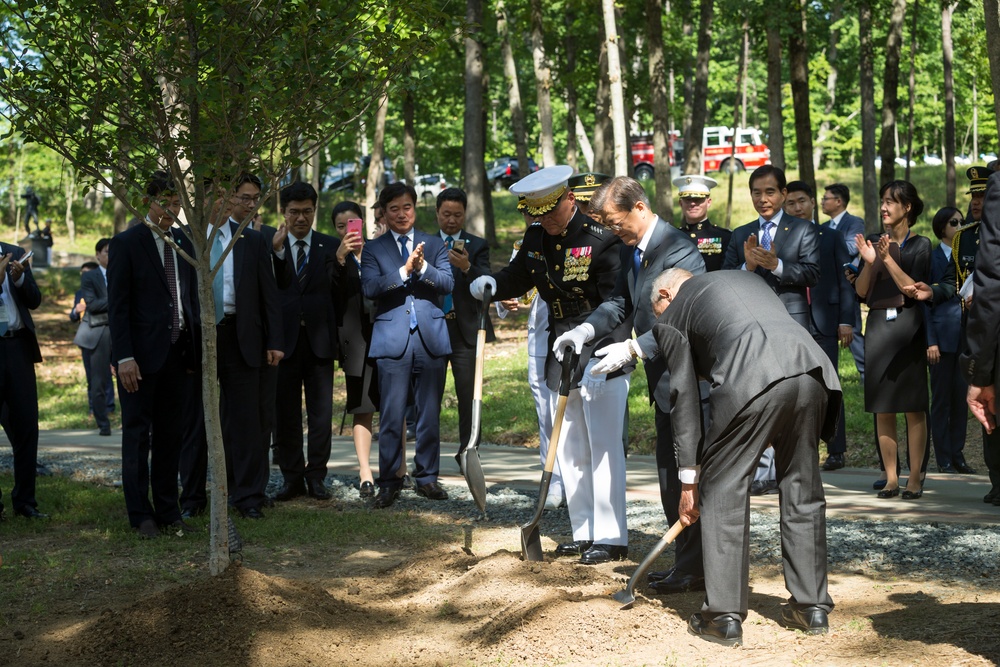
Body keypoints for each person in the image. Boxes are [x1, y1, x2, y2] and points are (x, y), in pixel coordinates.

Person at [650, 267, 839, 647]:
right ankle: (811, 606)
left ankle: (722, 616)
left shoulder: (673, 313)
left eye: (657, 311)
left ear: (666, 296)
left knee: (722, 491)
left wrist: (690, 480)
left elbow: (683, 400)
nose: (660, 319)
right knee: (802, 486)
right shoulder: (744, 279)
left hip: (751, 381)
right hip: (812, 372)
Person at [470, 165, 631, 565]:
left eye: (550, 213)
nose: (545, 222)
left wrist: (594, 343)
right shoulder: (537, 237)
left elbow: (616, 302)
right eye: (537, 215)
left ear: (570, 200)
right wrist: (489, 285)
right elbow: (516, 276)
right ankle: (585, 531)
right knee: (571, 447)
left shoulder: (603, 240)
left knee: (605, 447)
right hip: (561, 351)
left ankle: (611, 537)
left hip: (601, 349)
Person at [559, 175, 706, 584]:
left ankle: (697, 569)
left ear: (639, 207)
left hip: (689, 380)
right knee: (668, 478)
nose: (611, 228)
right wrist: (586, 330)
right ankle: (689, 567)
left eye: (613, 219)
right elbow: (619, 301)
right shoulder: (632, 250)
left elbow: (680, 314)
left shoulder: (678, 248)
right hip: (663, 381)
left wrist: (634, 348)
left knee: (688, 476)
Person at [107, 173, 200, 537]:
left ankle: (168, 510)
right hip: (139, 359)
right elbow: (118, 307)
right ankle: (139, 514)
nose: (172, 210)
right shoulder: (127, 243)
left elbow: (189, 298)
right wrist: (124, 356)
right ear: (148, 202)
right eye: (166, 202)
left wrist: (194, 352)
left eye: (177, 204)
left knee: (170, 436)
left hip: (178, 355)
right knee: (137, 435)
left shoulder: (184, 243)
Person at [723, 165, 820, 495]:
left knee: (792, 395)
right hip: (751, 325)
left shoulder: (804, 230)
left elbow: (812, 273)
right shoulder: (741, 234)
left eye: (769, 192)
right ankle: (761, 471)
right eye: (756, 193)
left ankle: (793, 469)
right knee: (756, 394)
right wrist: (748, 266)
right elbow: (727, 280)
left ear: (782, 194)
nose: (763, 199)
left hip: (791, 322)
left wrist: (775, 265)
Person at [361, 182, 453, 509]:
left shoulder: (434, 242)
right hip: (391, 340)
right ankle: (389, 481)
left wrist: (424, 267)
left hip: (430, 338)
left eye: (407, 207)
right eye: (394, 209)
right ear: (384, 214)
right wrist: (404, 270)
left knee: (429, 414)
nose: (402, 214)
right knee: (391, 414)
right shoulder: (374, 248)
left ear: (415, 208)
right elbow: (370, 287)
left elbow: (447, 282)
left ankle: (427, 478)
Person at [209, 173, 285, 519]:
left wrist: (274, 340)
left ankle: (247, 496)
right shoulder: (194, 240)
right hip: (205, 336)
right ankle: (198, 495)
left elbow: (269, 294)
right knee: (205, 419)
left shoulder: (253, 241)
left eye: (255, 199)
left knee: (245, 420)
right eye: (244, 197)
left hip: (244, 336)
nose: (250, 204)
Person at [853, 180, 931, 500]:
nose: (884, 207)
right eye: (882, 201)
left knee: (913, 407)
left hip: (908, 326)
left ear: (907, 208)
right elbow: (860, 291)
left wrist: (886, 259)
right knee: (882, 407)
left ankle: (914, 478)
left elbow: (912, 288)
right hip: (878, 326)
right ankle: (890, 478)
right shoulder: (874, 242)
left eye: (891, 202)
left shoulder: (921, 244)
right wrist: (871, 262)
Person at [270, 182, 340, 502]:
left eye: (307, 212)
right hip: (282, 343)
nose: (301, 218)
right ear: (282, 212)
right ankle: (291, 477)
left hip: (319, 342)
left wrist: (342, 262)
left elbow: (343, 292)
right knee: (285, 413)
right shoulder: (271, 245)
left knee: (320, 413)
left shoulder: (329, 246)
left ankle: (317, 476)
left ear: (315, 210)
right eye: (294, 212)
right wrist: (276, 252)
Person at [494, 197, 564, 509]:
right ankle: (553, 481)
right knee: (545, 415)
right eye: (527, 213)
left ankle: (573, 480)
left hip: (567, 333)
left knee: (568, 414)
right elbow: (514, 281)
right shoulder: (527, 242)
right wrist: (503, 301)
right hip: (538, 337)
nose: (533, 218)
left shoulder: (569, 238)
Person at [784, 181, 854, 471]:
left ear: (812, 202)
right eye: (791, 203)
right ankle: (801, 450)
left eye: (802, 201)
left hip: (826, 321)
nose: (797, 207)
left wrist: (846, 320)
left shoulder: (831, 236)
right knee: (797, 389)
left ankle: (836, 449)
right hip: (793, 323)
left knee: (829, 386)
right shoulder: (782, 239)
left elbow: (845, 281)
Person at [433, 187, 494, 458]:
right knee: (428, 396)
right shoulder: (427, 244)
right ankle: (427, 456)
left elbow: (488, 284)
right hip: (433, 328)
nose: (451, 220)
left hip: (465, 329)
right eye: (446, 214)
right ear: (437, 213)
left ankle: (469, 453)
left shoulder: (477, 245)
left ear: (465, 214)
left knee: (469, 395)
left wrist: (468, 268)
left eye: (457, 215)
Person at [330, 201, 380, 498]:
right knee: (362, 409)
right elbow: (329, 296)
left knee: (394, 408)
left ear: (363, 223)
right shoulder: (333, 257)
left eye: (353, 224)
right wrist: (339, 259)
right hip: (354, 343)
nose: (349, 231)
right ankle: (365, 473)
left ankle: (397, 469)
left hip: (387, 337)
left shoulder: (379, 251)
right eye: (341, 226)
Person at [926, 207, 975, 474]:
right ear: (941, 226)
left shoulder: (969, 256)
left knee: (960, 399)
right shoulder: (932, 258)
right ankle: (943, 457)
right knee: (941, 400)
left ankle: (958, 454)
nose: (959, 225)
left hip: (965, 338)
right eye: (953, 222)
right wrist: (930, 341)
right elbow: (925, 303)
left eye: (962, 222)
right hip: (941, 341)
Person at [961, 168, 1000, 505]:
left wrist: (980, 372)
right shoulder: (965, 236)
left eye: (983, 195)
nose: (978, 203)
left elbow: (990, 286)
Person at [0, 240, 45, 520]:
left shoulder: (14, 252)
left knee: (27, 424)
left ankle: (25, 501)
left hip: (17, 347)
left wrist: (19, 280)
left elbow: (35, 300)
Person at [821, 183, 867, 379]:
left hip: (847, 286)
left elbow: (850, 249)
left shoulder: (854, 223)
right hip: (826, 288)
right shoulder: (822, 227)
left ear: (838, 201)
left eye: (826, 198)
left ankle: (868, 373)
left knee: (853, 332)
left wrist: (829, 248)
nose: (822, 202)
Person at [77, 238, 114, 437]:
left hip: (122, 330)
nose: (111, 255)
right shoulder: (90, 276)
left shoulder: (125, 272)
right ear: (98, 254)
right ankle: (103, 424)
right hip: (98, 332)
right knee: (98, 381)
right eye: (107, 251)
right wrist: (118, 296)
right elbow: (92, 305)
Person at [71, 261, 114, 418]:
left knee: (109, 375)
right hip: (90, 335)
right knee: (94, 378)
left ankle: (110, 407)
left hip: (113, 331)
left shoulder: (112, 280)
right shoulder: (81, 292)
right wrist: (76, 311)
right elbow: (76, 314)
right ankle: (95, 411)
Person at [674, 175, 730, 272]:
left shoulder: (724, 237)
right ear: (680, 203)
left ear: (708, 203)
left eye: (698, 199)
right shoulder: (672, 237)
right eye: (687, 199)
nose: (692, 204)